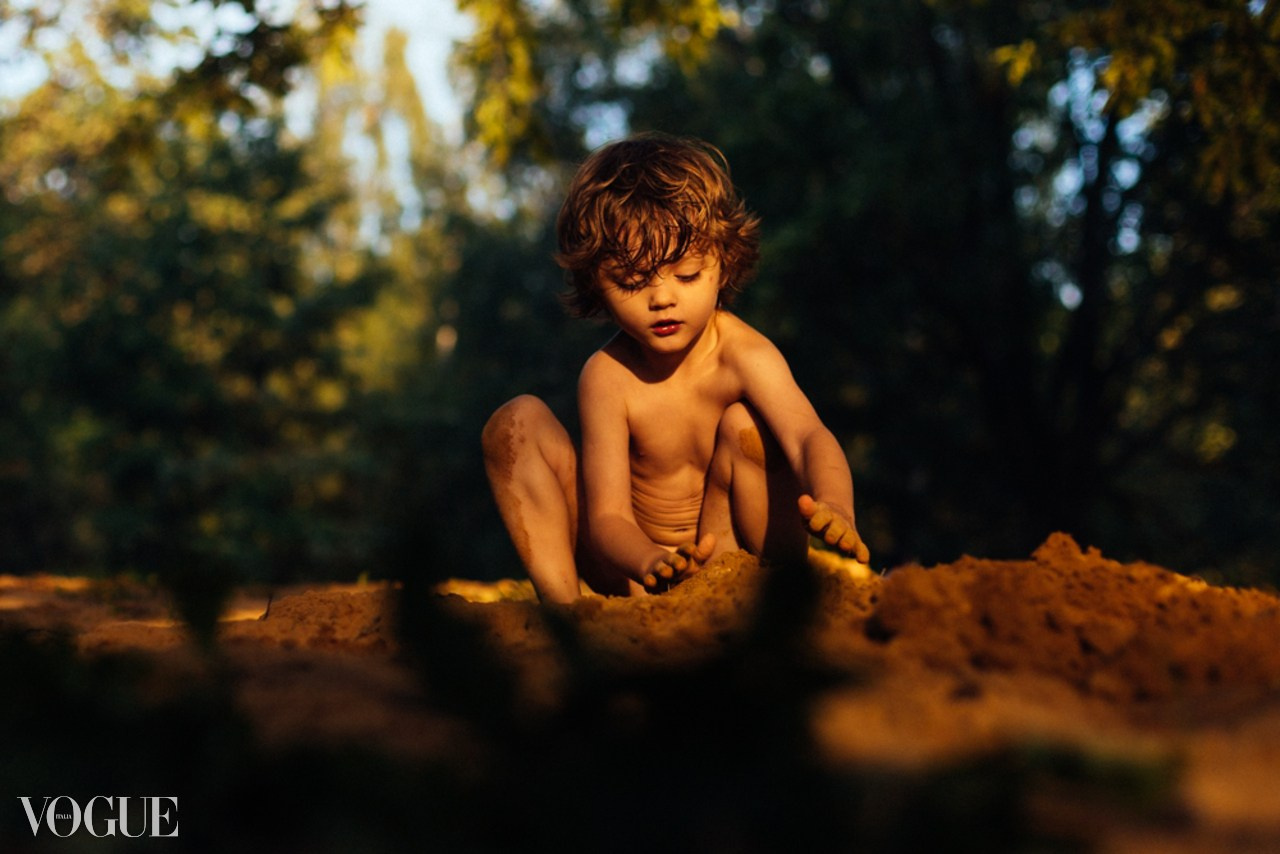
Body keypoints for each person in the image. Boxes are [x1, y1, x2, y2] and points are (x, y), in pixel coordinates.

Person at [482, 132, 869, 604]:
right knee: (514, 422)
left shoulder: (745, 355)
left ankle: (776, 598)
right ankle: (566, 614)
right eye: (630, 282)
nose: (663, 298)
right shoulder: (607, 376)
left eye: (686, 276)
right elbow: (607, 518)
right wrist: (649, 560)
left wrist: (836, 505)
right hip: (632, 574)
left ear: (723, 264)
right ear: (596, 284)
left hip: (730, 562)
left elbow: (808, 436)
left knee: (748, 425)